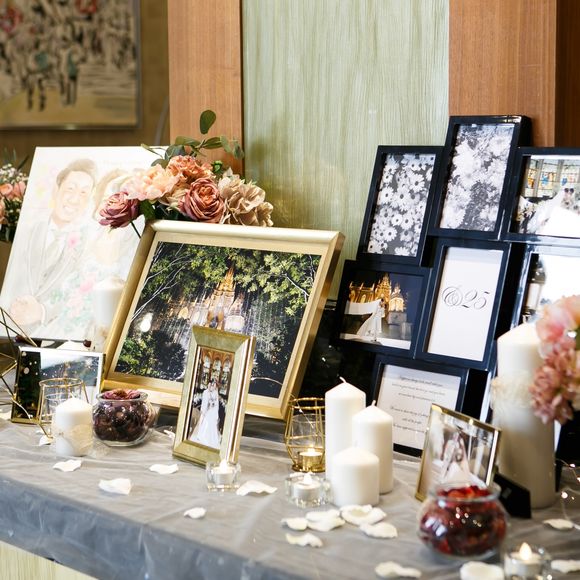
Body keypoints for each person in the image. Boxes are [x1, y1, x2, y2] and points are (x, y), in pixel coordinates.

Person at [4, 159, 97, 338]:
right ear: (56, 190)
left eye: (83, 193)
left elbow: (82, 297)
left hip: (53, 337)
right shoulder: (27, 231)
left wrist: (42, 311)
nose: (75, 199)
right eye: (70, 189)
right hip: (8, 331)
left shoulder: (88, 246)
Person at [189, 379, 222, 450]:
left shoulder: (215, 393)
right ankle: (202, 436)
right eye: (211, 384)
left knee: (212, 424)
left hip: (212, 411)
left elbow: (217, 405)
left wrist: (215, 412)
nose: (212, 386)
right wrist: (204, 410)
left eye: (214, 385)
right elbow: (204, 402)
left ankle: (211, 438)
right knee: (206, 423)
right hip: (207, 411)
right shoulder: (205, 392)